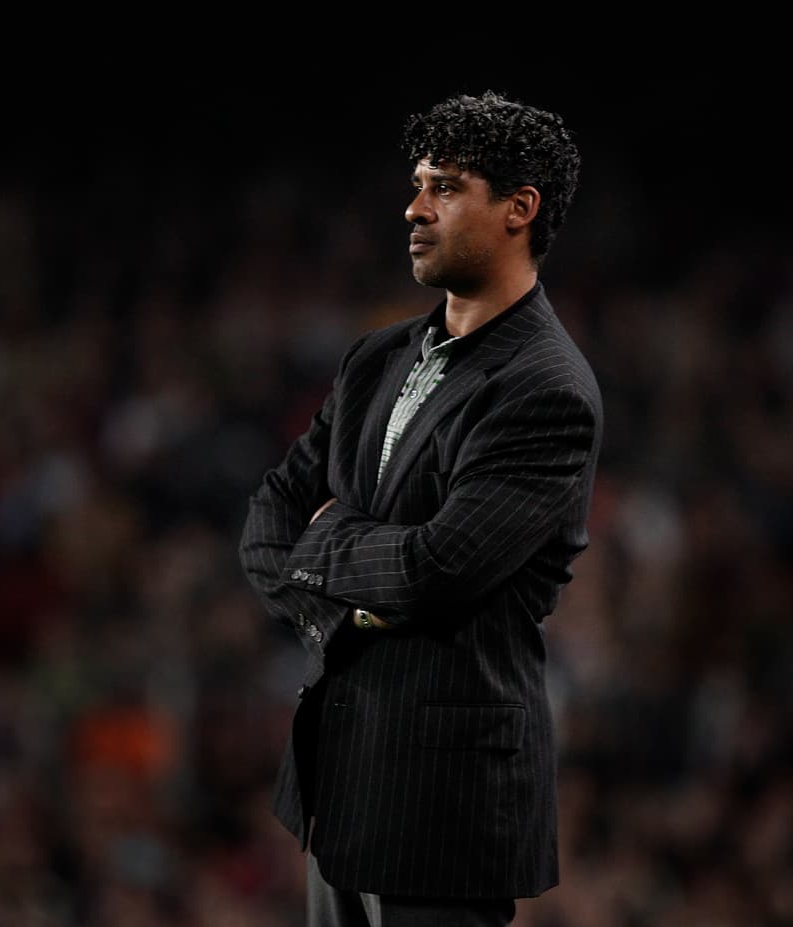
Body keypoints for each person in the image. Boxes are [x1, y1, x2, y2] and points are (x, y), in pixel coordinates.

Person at [239, 89, 602, 926]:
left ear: (520, 209)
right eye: (418, 183)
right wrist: (336, 587)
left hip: (443, 806)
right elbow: (274, 506)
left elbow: (436, 568)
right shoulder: (375, 358)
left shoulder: (546, 387)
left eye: (445, 187)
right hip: (337, 787)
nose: (414, 207)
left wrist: (328, 542)